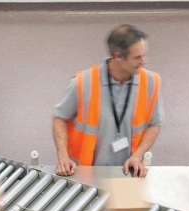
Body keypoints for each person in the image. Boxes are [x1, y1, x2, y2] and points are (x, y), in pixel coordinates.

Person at [52, 24, 164, 178]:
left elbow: (154, 124)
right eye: (137, 57)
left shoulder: (151, 82)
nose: (144, 61)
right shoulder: (83, 82)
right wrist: (63, 157)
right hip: (85, 174)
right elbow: (59, 117)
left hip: (127, 172)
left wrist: (138, 155)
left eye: (144, 55)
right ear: (118, 56)